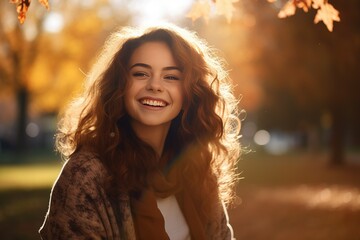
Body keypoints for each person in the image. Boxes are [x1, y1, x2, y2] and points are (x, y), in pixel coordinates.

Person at [39, 23, 241, 240]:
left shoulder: (198, 171)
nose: (155, 85)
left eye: (171, 77)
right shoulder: (85, 175)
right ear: (120, 86)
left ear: (188, 93)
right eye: (141, 73)